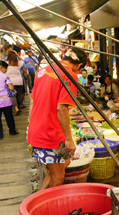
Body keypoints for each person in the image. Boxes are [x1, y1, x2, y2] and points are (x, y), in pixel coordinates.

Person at [27, 49, 85, 190]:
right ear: (79, 65)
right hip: (50, 134)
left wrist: (32, 126)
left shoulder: (43, 71)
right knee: (58, 176)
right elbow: (61, 108)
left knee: (58, 168)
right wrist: (69, 138)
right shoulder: (69, 75)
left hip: (37, 130)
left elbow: (32, 102)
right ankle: (44, 209)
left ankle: (38, 201)